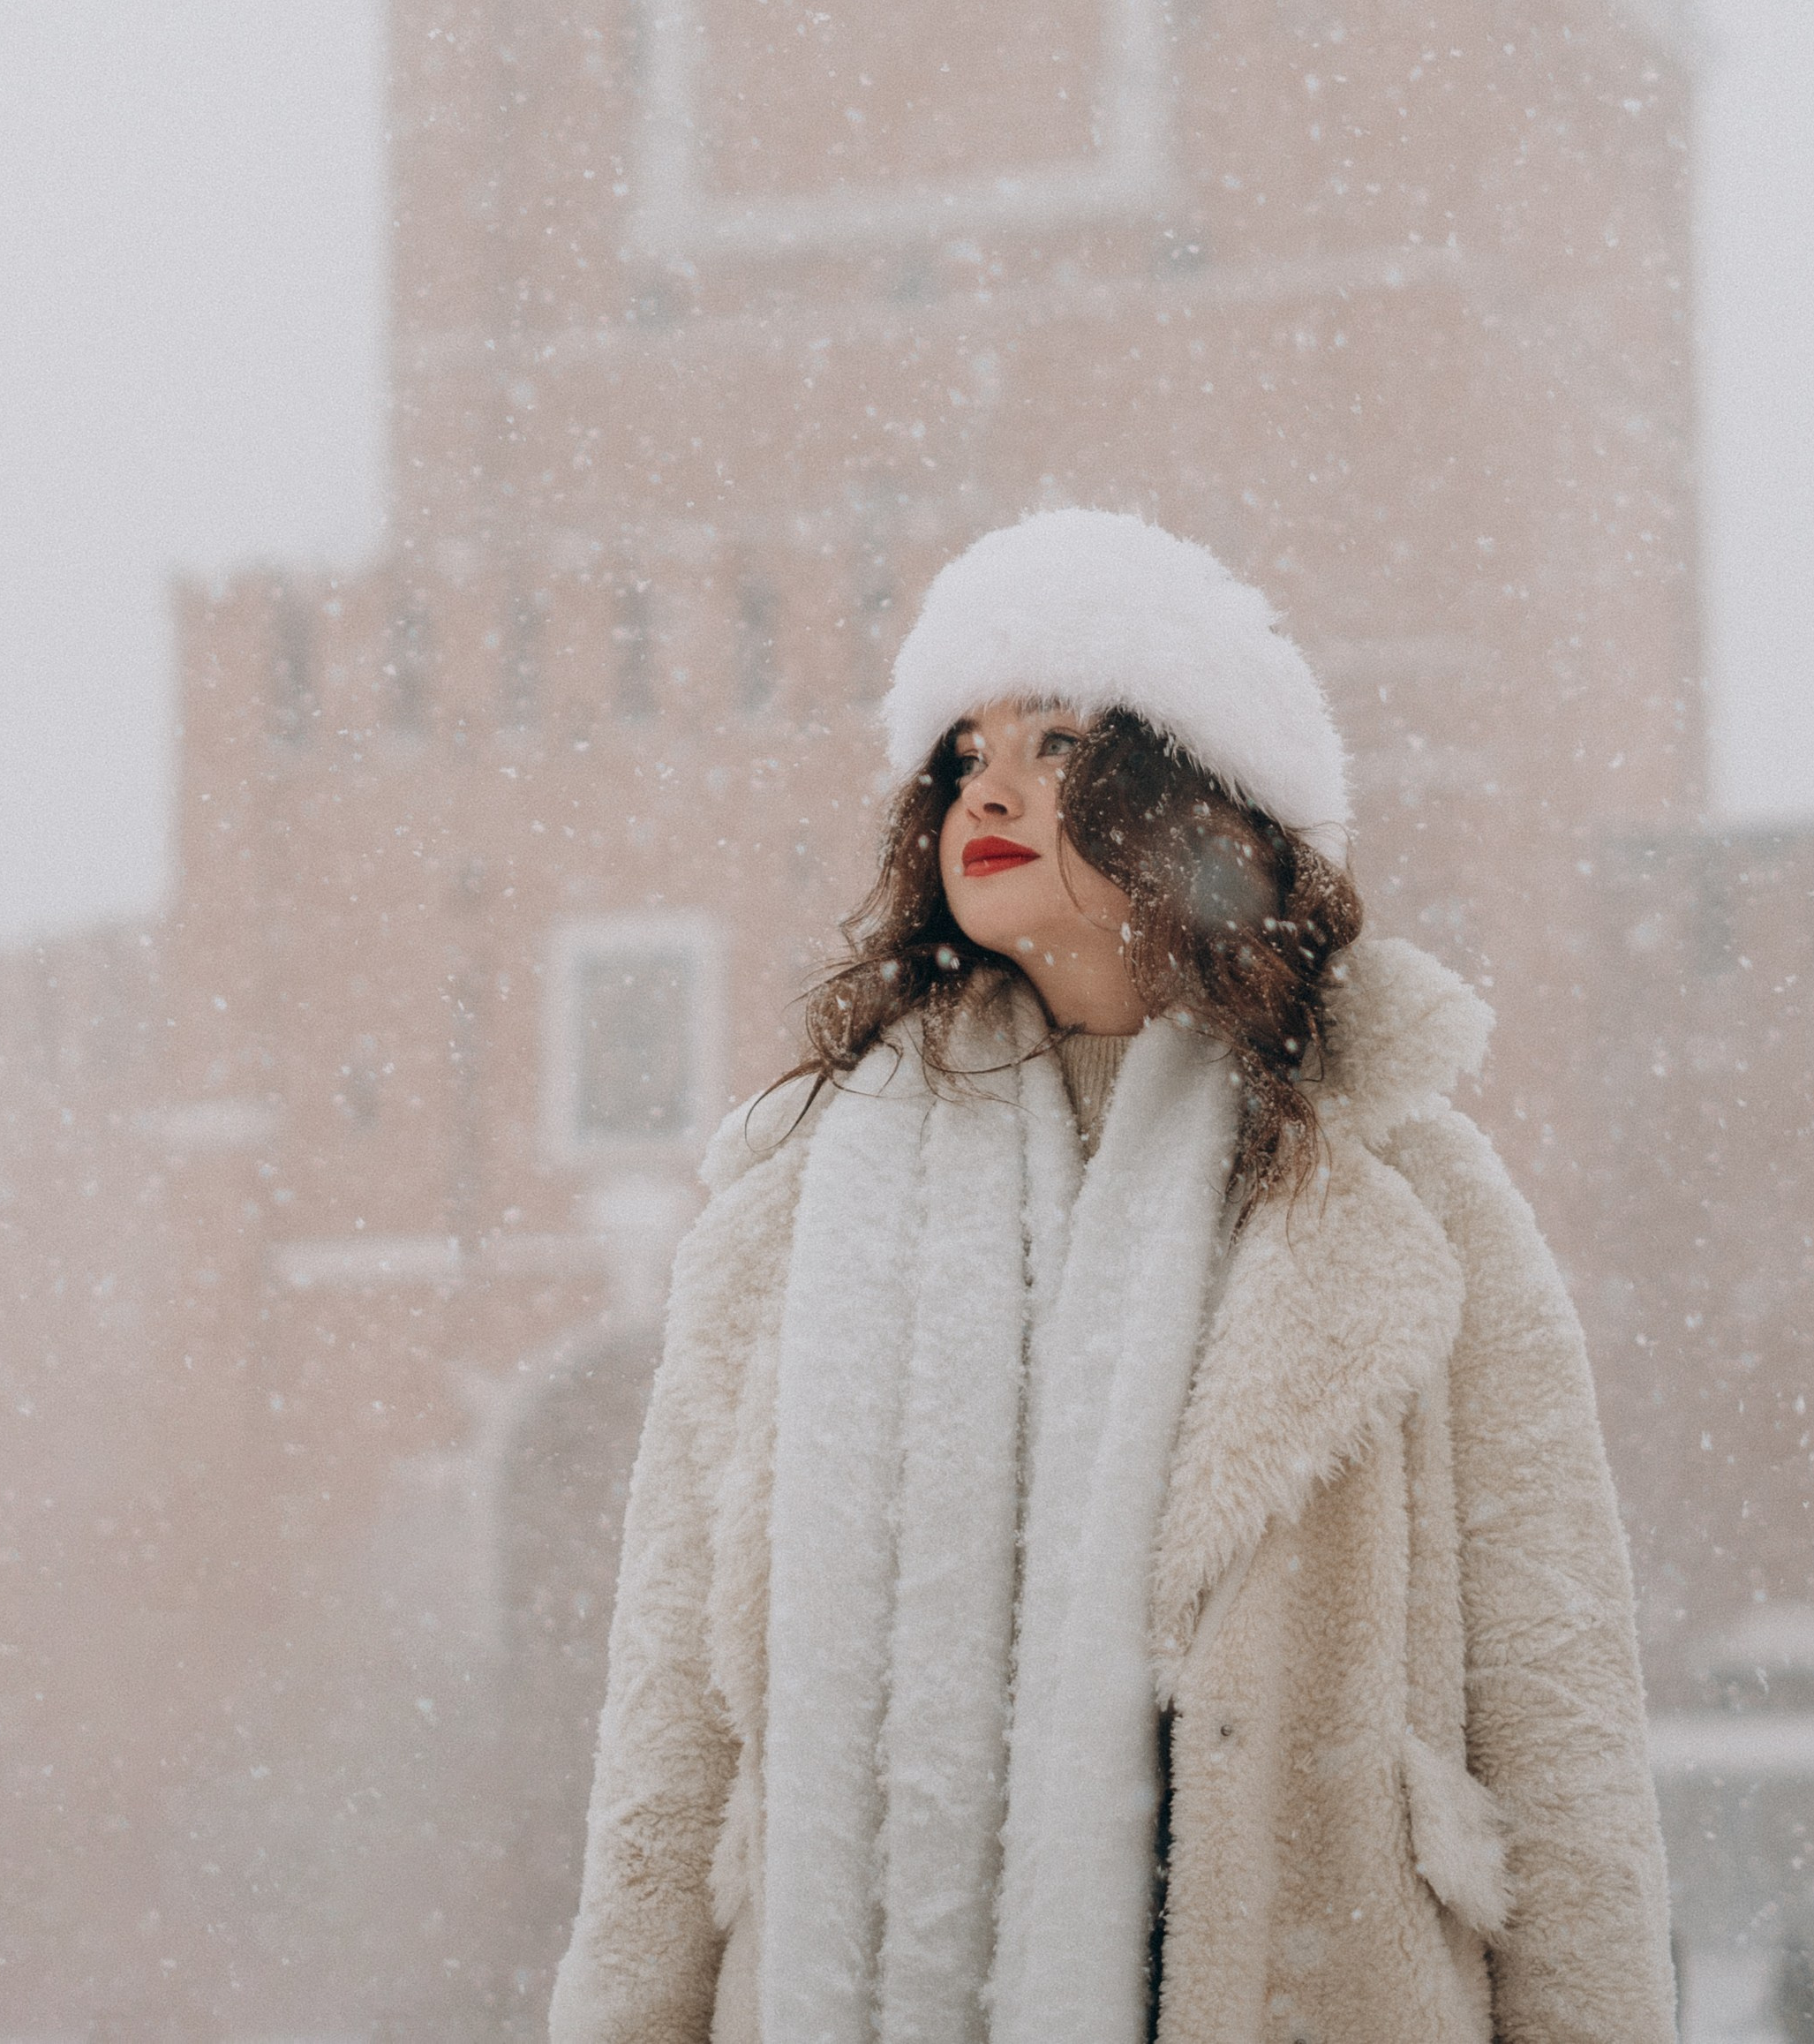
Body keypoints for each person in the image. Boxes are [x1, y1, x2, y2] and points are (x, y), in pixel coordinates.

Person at [551, 508, 1675, 2044]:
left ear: (1204, 798)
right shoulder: (794, 1213)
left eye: (1062, 744)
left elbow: (1559, 1733)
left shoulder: (1401, 1194)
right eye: (960, 755)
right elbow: (669, 1760)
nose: (990, 789)